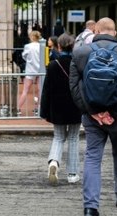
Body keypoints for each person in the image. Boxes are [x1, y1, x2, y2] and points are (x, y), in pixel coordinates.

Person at [69, 17, 117, 216]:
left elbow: (74, 88)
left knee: (92, 157)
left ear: (96, 32)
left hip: (92, 117)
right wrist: (114, 114)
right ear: (115, 33)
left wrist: (93, 112)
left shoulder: (80, 53)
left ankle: (91, 206)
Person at [40, 33, 81, 185]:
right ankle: (72, 173)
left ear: (59, 46)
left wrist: (44, 111)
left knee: (58, 137)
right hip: (75, 106)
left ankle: (54, 162)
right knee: (73, 138)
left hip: (57, 106)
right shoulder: (78, 64)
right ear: (73, 46)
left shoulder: (52, 65)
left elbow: (46, 90)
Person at [18, 30, 42, 115]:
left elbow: (24, 56)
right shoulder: (41, 46)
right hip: (40, 70)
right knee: (40, 90)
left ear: (32, 37)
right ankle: (38, 108)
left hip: (30, 69)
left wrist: (29, 60)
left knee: (25, 90)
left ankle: (18, 108)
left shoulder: (28, 46)